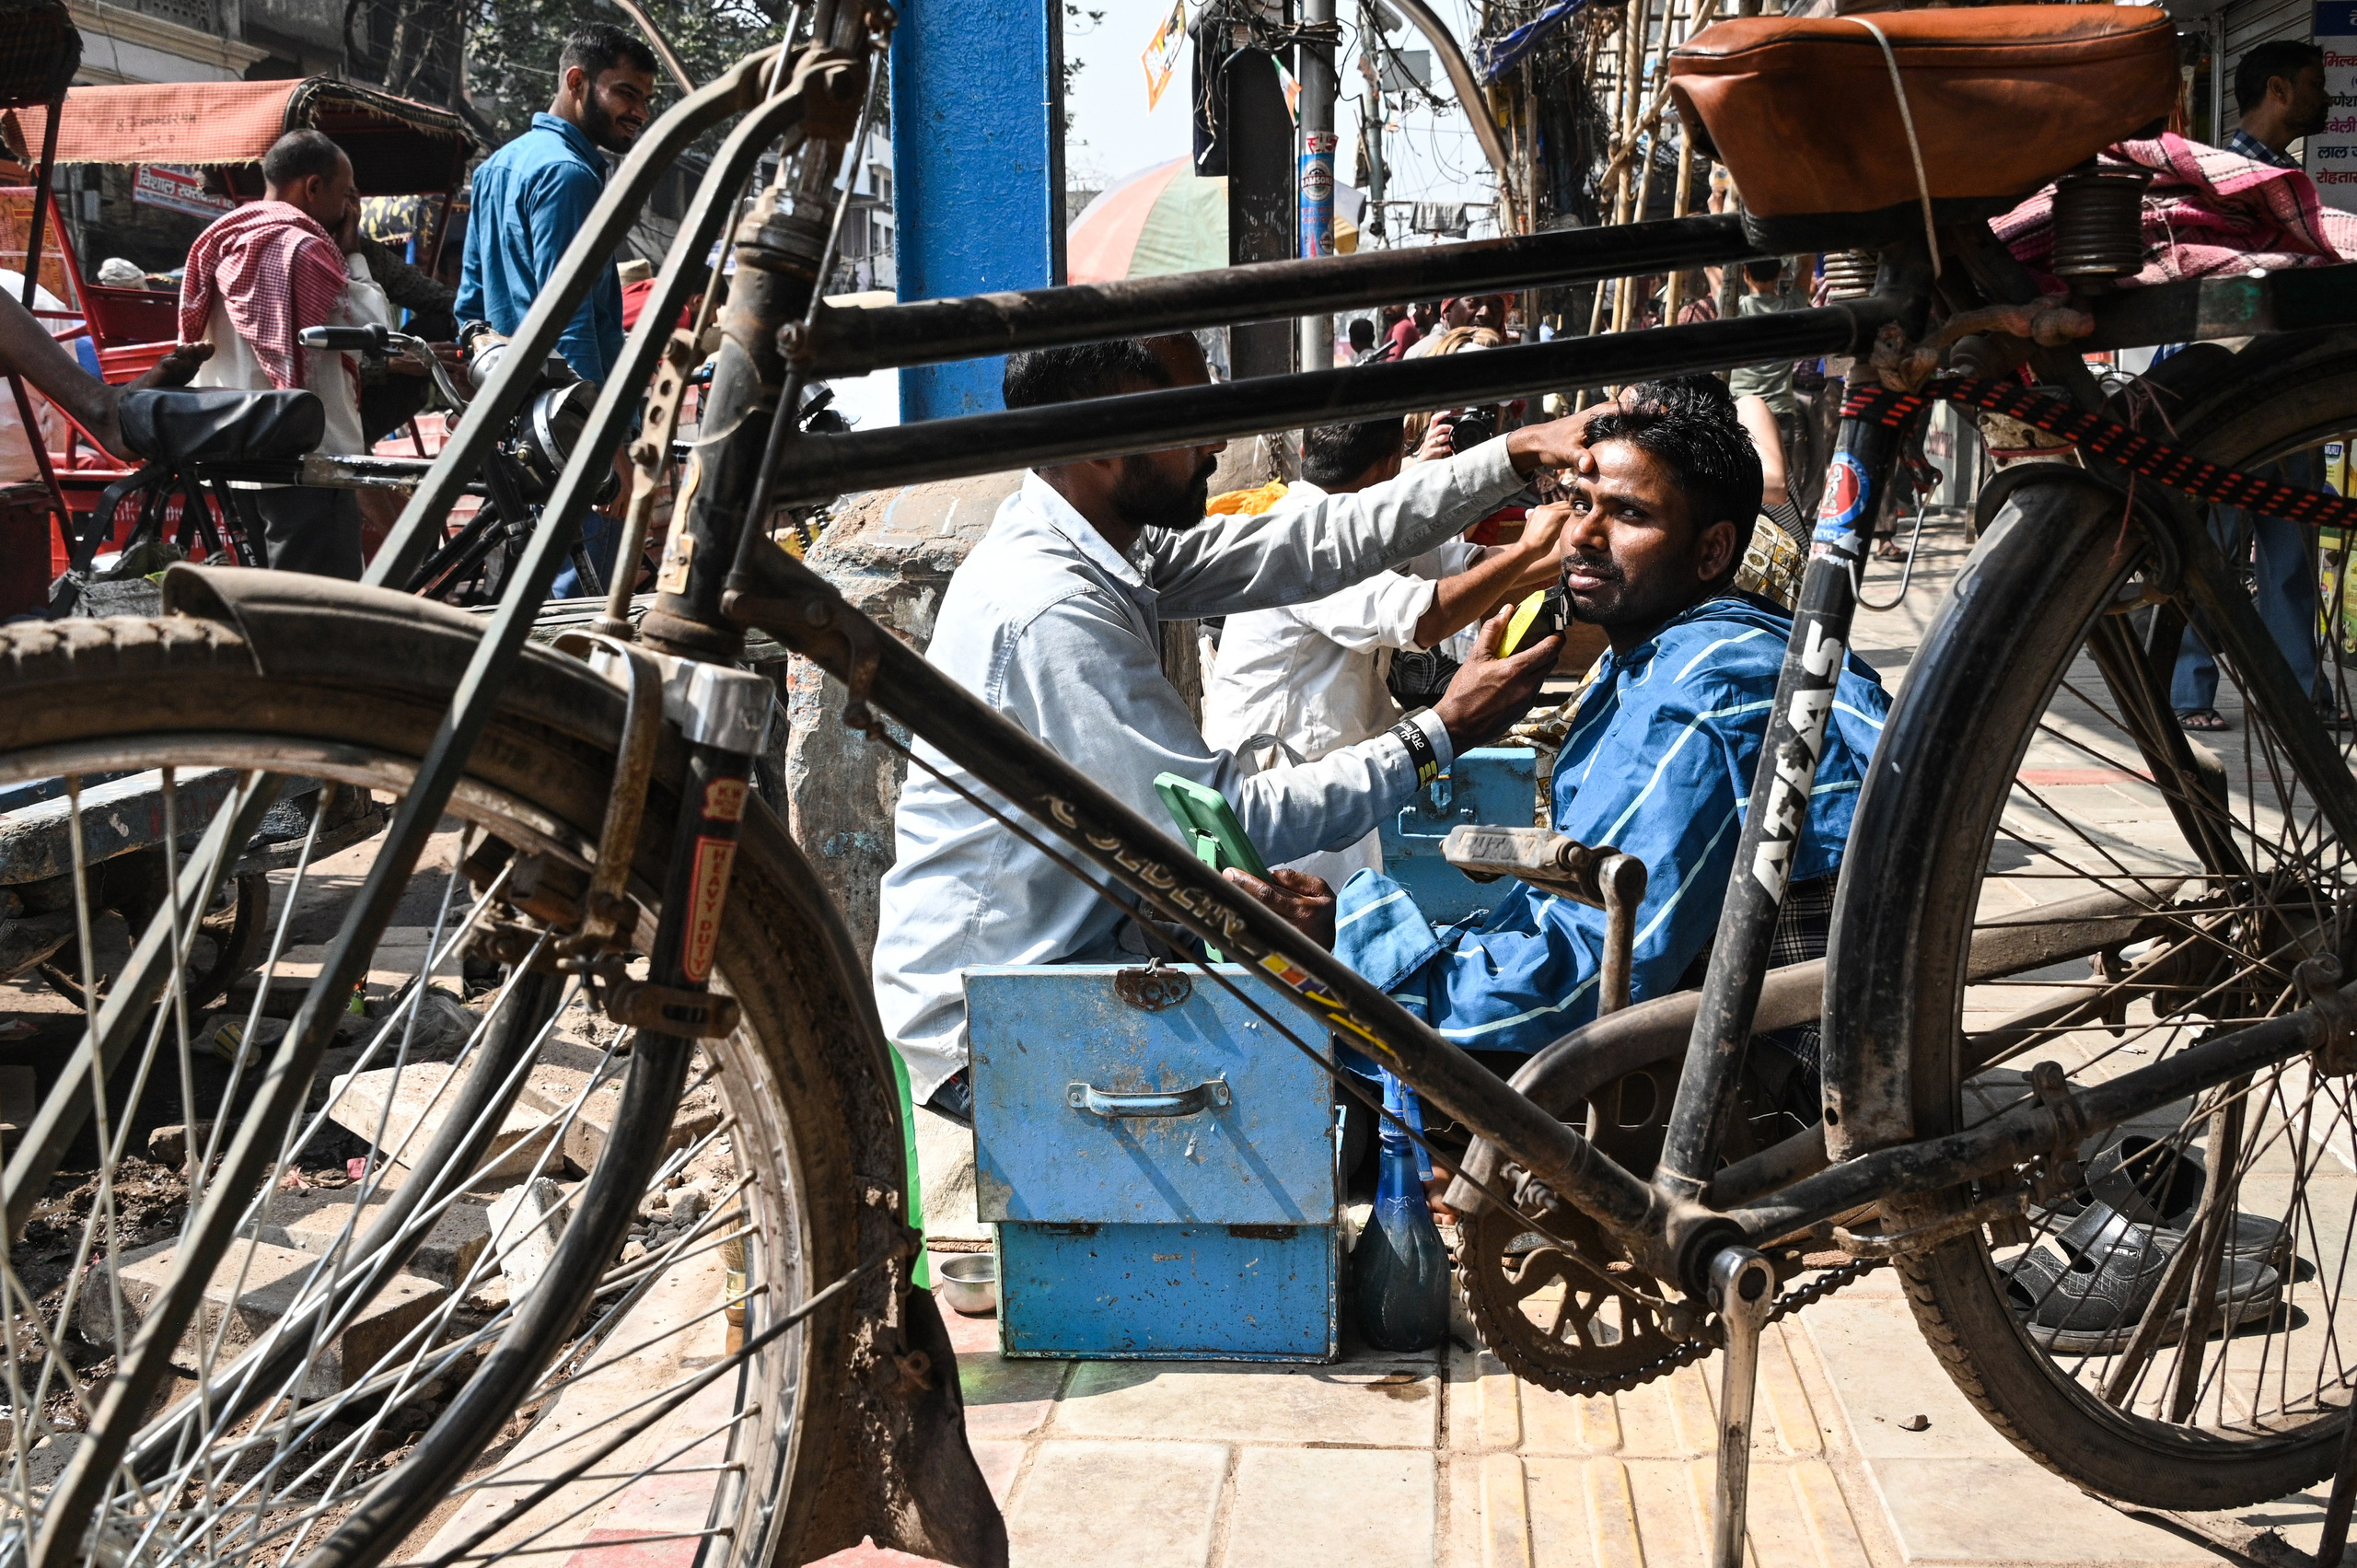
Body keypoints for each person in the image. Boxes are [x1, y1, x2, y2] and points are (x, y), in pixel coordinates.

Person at [871, 335, 1599, 1123]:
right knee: (1336, 1109)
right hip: (989, 1024)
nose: (1217, 443)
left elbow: (1317, 542)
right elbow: (1232, 813)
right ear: (1111, 441)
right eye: (1196, 418)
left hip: (1073, 958)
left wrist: (1514, 455)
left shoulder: (1109, 546)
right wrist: (1440, 732)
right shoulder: (1050, 608)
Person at [1239, 389, 1890, 1093]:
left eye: (1630, 514)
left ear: (1712, 551)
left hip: (1753, 1080)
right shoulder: (1657, 655)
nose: (1582, 535)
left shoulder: (1702, 693)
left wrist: (1349, 941)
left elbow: (1589, 977)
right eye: (1582, 504)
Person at [1202, 416, 1570, 886]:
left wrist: (1570, 544)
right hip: (1283, 787)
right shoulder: (1303, 535)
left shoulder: (1360, 523)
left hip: (1327, 774)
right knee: (1311, 927)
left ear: (1302, 452)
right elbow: (1425, 617)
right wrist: (1525, 551)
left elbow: (1462, 568)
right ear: (1394, 462)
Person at [458, 21, 656, 595]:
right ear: (577, 81)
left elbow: (469, 309)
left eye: (645, 99)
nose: (638, 113)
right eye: (626, 93)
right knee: (584, 615)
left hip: (517, 432)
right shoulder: (569, 176)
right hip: (569, 432)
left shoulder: (498, 168)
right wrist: (606, 450)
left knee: (529, 606)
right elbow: (570, 326)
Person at [2173, 41, 2335, 731]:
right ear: (2278, 89)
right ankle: (2191, 691)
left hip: (2281, 387)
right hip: (2232, 386)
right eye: (2313, 84)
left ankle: (2295, 694)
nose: (2325, 97)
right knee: (2213, 548)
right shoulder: (2224, 178)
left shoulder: (2288, 181)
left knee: (2286, 551)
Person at [180, 129, 393, 578]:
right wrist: (353, 255)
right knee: (319, 616)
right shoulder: (305, 248)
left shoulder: (219, 239)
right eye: (345, 194)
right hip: (312, 464)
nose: (347, 209)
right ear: (314, 187)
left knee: (274, 606)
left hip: (240, 459)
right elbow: (376, 332)